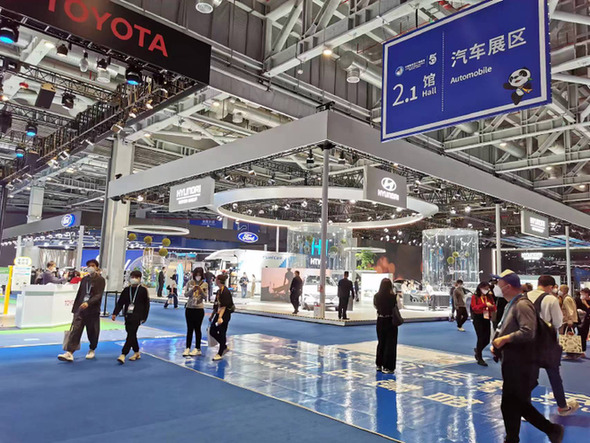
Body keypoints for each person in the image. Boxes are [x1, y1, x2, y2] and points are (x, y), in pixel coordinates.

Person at [491, 270, 564, 443]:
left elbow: (528, 331)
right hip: (514, 361)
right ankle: (545, 431)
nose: (496, 287)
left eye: (499, 284)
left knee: (512, 403)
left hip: (522, 363)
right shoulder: (512, 304)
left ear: (508, 286)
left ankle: (548, 430)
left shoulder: (522, 305)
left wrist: (505, 339)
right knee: (515, 403)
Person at [527, 276, 579, 416]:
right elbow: (557, 322)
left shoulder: (524, 297)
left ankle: (523, 408)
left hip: (527, 342)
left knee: (529, 377)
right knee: (554, 375)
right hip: (546, 343)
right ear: (551, 287)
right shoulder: (551, 299)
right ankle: (562, 407)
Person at [58, 260, 106, 362]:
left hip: (93, 310)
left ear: (97, 267)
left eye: (93, 265)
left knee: (92, 331)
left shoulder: (100, 280)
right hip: (80, 310)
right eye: (89, 266)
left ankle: (92, 349)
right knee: (76, 330)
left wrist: (88, 303)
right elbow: (80, 294)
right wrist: (75, 309)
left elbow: (98, 295)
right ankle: (70, 352)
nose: (90, 267)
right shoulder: (84, 279)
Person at [111, 270, 150, 364]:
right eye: (132, 277)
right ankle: (136, 352)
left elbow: (146, 305)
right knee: (131, 333)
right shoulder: (126, 290)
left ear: (140, 279)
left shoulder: (143, 290)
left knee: (131, 334)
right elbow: (120, 302)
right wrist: (115, 313)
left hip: (138, 316)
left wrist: (144, 317)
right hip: (128, 315)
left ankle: (123, 354)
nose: (134, 279)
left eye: (136, 277)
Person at [374, 278, 399, 374]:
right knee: (390, 344)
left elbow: (375, 306)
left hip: (380, 320)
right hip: (390, 321)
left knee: (381, 342)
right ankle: (388, 366)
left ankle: (379, 364)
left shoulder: (376, 296)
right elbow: (399, 307)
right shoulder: (393, 297)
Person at [182, 267, 208, 357]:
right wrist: (192, 290)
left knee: (197, 329)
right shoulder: (190, 283)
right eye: (196, 275)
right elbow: (185, 294)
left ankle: (197, 348)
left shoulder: (205, 284)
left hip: (199, 309)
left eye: (199, 275)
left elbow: (205, 297)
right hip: (189, 308)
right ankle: (187, 347)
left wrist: (200, 290)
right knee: (189, 329)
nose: (198, 276)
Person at [209, 274, 234, 361]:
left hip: (224, 315)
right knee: (212, 331)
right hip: (218, 313)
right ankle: (224, 346)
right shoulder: (219, 291)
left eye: (216, 279)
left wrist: (220, 317)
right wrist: (212, 316)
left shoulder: (226, 292)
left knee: (222, 332)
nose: (215, 281)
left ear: (219, 281)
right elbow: (216, 305)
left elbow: (224, 306)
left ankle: (220, 352)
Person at [471, 282, 496, 366]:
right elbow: (474, 308)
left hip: (486, 317)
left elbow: (494, 307)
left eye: (487, 288)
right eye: (485, 288)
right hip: (478, 318)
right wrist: (484, 304)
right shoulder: (475, 296)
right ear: (480, 288)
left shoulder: (489, 296)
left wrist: (491, 307)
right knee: (481, 338)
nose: (486, 290)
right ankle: (479, 358)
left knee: (487, 339)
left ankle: (478, 350)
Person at [576, 288, 590, 353]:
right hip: (579, 319)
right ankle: (579, 350)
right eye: (581, 293)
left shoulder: (588, 301)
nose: (582, 295)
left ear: (587, 294)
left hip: (587, 319)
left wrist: (585, 304)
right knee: (580, 334)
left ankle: (582, 350)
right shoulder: (578, 300)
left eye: (583, 293)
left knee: (584, 334)